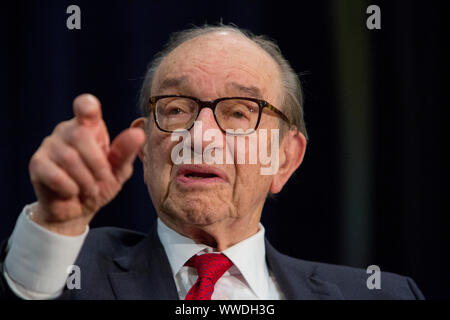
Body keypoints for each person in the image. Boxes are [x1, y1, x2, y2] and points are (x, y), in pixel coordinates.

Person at [0, 25, 424, 300]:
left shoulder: (381, 295)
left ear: (285, 158)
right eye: (177, 108)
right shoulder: (70, 270)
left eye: (239, 113)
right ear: (145, 147)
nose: (200, 137)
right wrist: (54, 226)